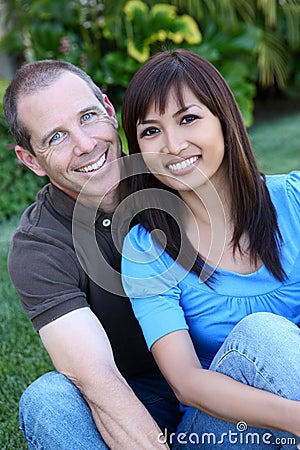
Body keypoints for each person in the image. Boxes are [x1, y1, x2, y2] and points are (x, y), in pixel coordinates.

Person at [120, 49, 300, 449]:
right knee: (261, 333)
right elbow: (187, 383)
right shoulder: (147, 249)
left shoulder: (294, 200)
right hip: (221, 432)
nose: (172, 144)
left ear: (224, 119)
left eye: (188, 119)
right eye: (151, 131)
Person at [3, 59, 183, 449]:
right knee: (47, 401)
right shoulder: (39, 247)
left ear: (109, 110)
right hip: (136, 407)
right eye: (56, 137)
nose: (85, 145)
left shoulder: (174, 167)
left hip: (226, 384)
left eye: (87, 117)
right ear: (30, 160)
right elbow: (98, 381)